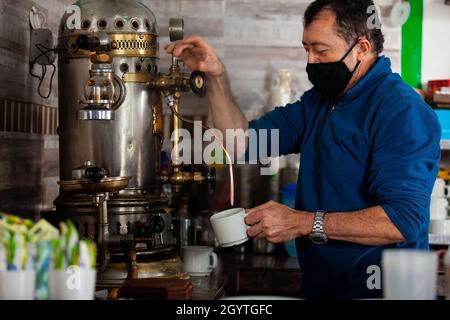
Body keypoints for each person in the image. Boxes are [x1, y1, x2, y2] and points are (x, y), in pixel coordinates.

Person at [165, 0, 441, 299]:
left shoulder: (401, 111)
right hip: (323, 288)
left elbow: (403, 220)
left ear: (361, 48)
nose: (310, 61)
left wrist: (301, 222)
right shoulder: (319, 103)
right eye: (306, 49)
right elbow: (241, 143)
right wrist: (216, 76)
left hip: (382, 292)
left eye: (321, 51)